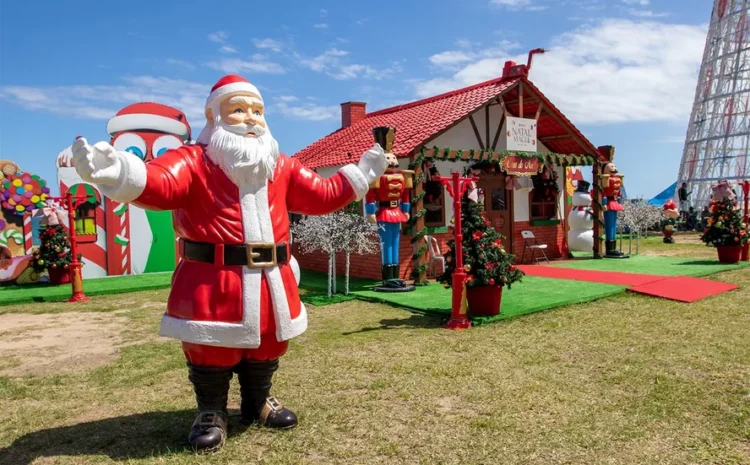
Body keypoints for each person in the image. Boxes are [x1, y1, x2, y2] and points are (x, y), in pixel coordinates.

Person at [71, 74, 388, 453]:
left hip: (271, 277)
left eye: (257, 110)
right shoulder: (194, 162)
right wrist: (118, 170)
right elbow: (160, 182)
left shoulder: (281, 166)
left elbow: (321, 194)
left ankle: (257, 403)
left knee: (268, 343)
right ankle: (211, 412)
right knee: (211, 347)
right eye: (238, 109)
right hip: (212, 277)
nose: (251, 118)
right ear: (213, 116)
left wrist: (366, 171)